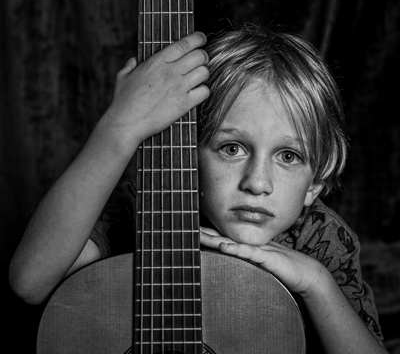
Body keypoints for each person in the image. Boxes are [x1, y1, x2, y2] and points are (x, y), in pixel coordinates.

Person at [9, 24, 386, 353]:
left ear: (315, 183)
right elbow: (30, 282)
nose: (257, 182)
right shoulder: (144, 208)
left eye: (288, 156)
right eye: (232, 148)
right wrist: (120, 127)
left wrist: (315, 283)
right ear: (187, 155)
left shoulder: (321, 238)